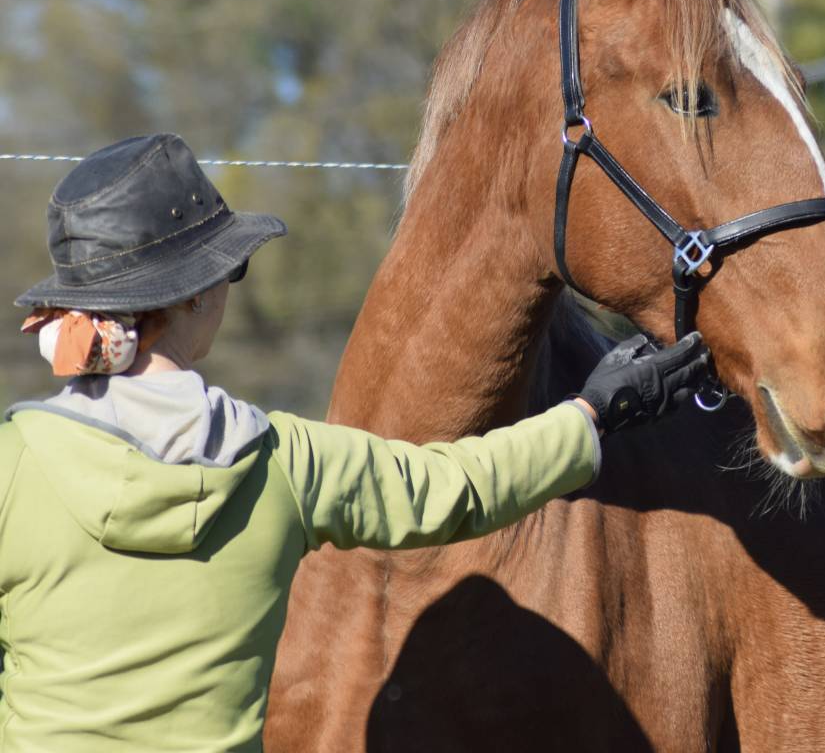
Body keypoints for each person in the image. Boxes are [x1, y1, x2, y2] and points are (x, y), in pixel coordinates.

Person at [0, 133, 709, 753]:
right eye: (229, 269)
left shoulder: (13, 466)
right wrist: (592, 413)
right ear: (192, 294)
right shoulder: (285, 463)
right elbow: (463, 486)